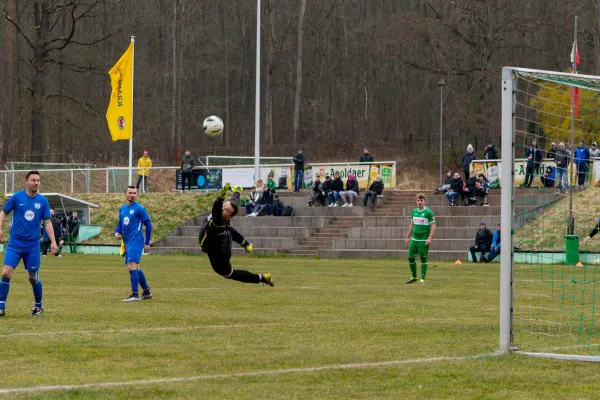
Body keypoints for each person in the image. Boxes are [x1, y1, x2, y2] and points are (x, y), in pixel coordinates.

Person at [0, 170, 57, 317]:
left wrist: (53, 242)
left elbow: (47, 222)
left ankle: (38, 306)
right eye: (33, 180)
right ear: (26, 182)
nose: (36, 183)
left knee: (33, 278)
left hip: (32, 245)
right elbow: (3, 212)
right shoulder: (17, 197)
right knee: (6, 272)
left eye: (38, 180)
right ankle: (1, 306)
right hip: (15, 243)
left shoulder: (42, 201)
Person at [198, 183, 274, 287]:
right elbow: (234, 201)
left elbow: (216, 211)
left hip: (220, 256)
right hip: (221, 241)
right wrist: (237, 191)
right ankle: (263, 277)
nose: (223, 208)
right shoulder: (225, 218)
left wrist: (220, 199)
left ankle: (261, 278)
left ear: (229, 217)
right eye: (224, 205)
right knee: (229, 230)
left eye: (226, 210)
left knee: (229, 274)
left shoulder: (219, 223)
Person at [115, 186, 153, 302]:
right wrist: (117, 232)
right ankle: (146, 291)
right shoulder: (122, 209)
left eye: (135, 193)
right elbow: (120, 225)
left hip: (136, 241)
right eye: (130, 193)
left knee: (131, 265)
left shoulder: (139, 208)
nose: (132, 195)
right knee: (135, 267)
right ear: (125, 194)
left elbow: (149, 225)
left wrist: (147, 243)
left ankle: (134, 294)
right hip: (127, 242)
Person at [405, 193, 436, 284]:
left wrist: (429, 238)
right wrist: (407, 237)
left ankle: (422, 278)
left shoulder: (428, 212)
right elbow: (412, 225)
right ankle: (414, 276)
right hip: (414, 239)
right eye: (418, 200)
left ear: (424, 202)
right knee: (410, 257)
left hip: (423, 240)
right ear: (416, 201)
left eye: (421, 201)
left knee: (423, 258)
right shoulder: (414, 211)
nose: (419, 202)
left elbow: (433, 226)